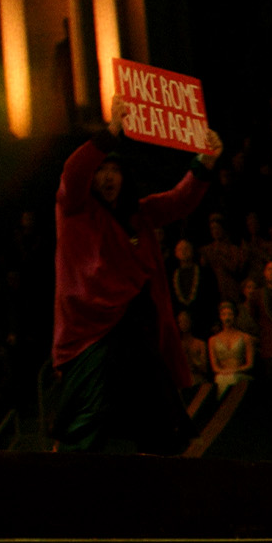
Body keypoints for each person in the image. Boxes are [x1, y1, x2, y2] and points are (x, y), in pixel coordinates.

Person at [51, 127, 222, 454]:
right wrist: (109, 135)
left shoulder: (139, 214)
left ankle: (158, 478)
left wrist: (206, 160)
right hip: (91, 332)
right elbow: (73, 172)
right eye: (100, 170)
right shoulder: (74, 208)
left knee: (157, 408)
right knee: (89, 415)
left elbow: (178, 200)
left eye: (114, 170)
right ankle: (71, 480)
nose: (107, 177)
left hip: (137, 326)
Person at [209, 302, 255, 394]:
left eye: (230, 314)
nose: (227, 318)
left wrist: (235, 370)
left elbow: (250, 364)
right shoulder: (213, 340)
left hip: (240, 374)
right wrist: (224, 371)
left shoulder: (245, 337)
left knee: (231, 378)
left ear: (234, 316)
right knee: (221, 379)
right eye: (224, 315)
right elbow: (214, 367)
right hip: (222, 375)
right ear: (220, 317)